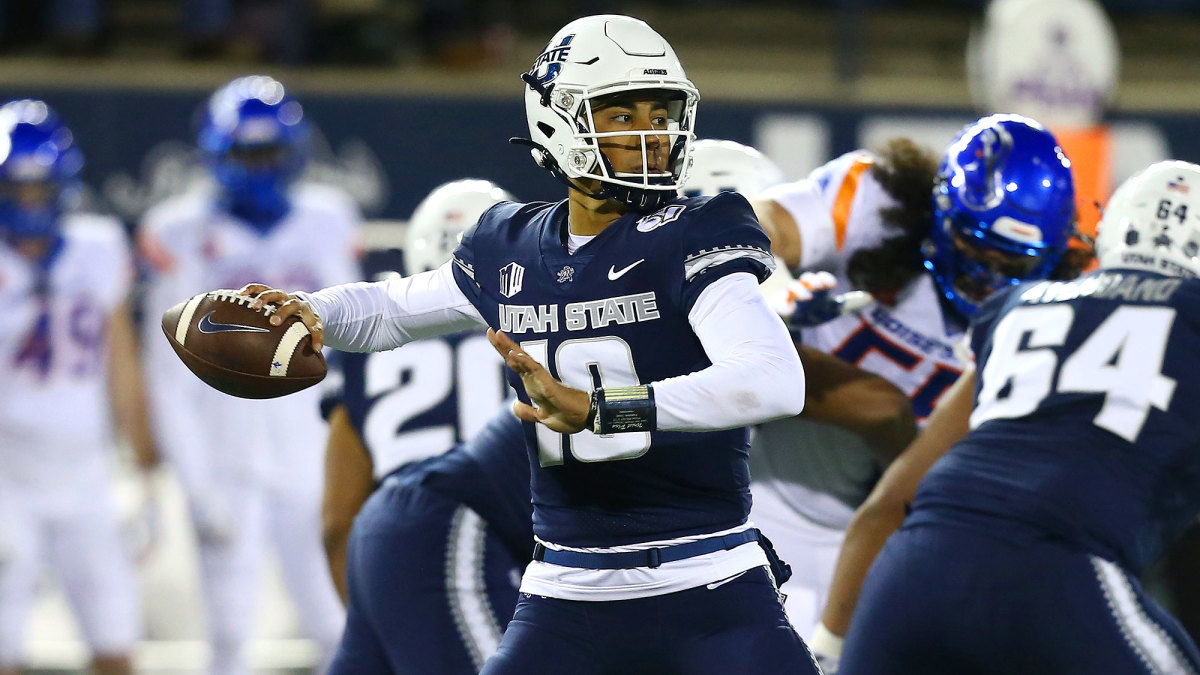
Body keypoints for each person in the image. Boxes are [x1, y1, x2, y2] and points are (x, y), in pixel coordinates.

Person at [246, 14, 818, 674]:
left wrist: (603, 410)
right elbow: (393, 309)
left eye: (660, 114)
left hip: (709, 584)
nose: (653, 134)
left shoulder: (695, 231)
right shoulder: (507, 245)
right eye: (622, 113)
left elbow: (775, 379)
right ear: (559, 120)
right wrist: (313, 312)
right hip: (565, 596)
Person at [837, 160, 1200, 674]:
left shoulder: (1018, 305)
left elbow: (892, 501)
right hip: (1058, 571)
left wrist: (828, 645)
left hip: (913, 568)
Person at [747, 114, 1087, 641]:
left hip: (896, 539)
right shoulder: (877, 204)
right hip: (762, 490)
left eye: (1014, 265)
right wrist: (774, 289)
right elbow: (756, 222)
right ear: (940, 215)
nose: (991, 279)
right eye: (977, 252)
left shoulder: (1058, 322)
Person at [139, 75, 357, 675]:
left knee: (336, 626)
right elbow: (165, 373)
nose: (260, 168)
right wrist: (194, 482)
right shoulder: (180, 230)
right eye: (246, 154)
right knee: (231, 636)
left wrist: (351, 456)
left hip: (311, 451)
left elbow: (355, 349)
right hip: (225, 456)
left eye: (270, 153)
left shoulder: (328, 218)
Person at [321, 179, 523, 673]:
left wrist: (393, 609)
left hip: (381, 542)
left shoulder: (365, 345)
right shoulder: (535, 328)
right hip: (471, 535)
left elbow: (337, 521)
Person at [0, 100, 158, 675]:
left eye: (39, 188)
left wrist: (146, 466)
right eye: (17, 188)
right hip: (6, 475)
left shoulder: (98, 245)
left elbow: (121, 359)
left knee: (115, 642)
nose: (29, 201)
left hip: (86, 473)